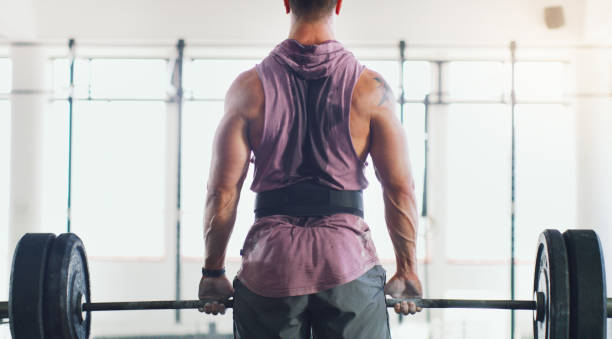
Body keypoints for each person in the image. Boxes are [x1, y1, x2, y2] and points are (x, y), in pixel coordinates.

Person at [198, 0, 422, 337]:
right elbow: (400, 188)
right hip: (347, 261)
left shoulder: (246, 89)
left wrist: (213, 272)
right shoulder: (371, 89)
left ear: (286, 3)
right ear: (339, 4)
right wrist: (406, 270)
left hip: (271, 264)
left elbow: (222, 191)